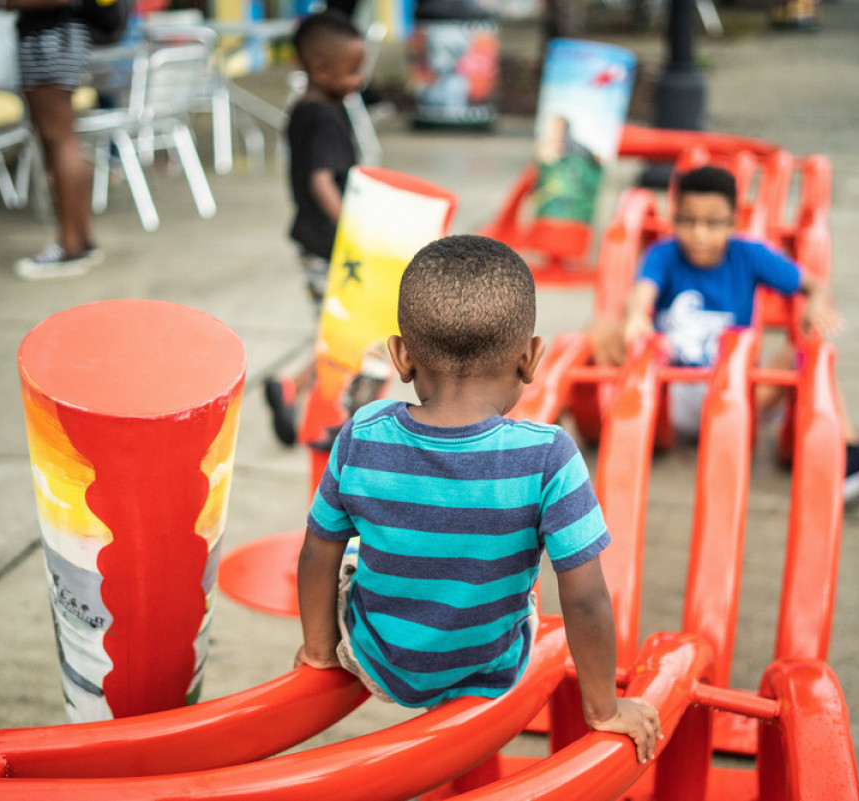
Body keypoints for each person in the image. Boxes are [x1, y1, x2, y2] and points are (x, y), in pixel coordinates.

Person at [295, 235, 663, 761]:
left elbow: (316, 550)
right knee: (527, 584)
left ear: (401, 356)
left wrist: (318, 652)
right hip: (488, 664)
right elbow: (585, 597)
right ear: (531, 357)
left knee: (352, 548)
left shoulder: (362, 433)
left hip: (379, 657)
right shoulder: (549, 456)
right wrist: (603, 708)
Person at [591, 165, 859, 508]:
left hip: (738, 395)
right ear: (675, 220)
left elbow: (814, 285)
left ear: (733, 222)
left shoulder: (747, 254)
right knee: (599, 329)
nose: (699, 234)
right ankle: (542, 435)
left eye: (713, 223)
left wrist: (815, 306)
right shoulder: (664, 254)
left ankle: (849, 460)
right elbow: (642, 292)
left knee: (810, 349)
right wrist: (636, 316)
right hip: (672, 393)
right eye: (688, 221)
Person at [264, 10, 365, 445]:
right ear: (321, 68)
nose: (361, 79)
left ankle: (293, 390)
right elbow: (321, 180)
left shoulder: (308, 109)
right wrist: (353, 233)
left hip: (316, 242)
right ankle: (329, 417)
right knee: (348, 335)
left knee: (342, 333)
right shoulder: (324, 118)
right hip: (330, 246)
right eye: (353, 70)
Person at [0, 0, 101, 279]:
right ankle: (82, 239)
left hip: (48, 41)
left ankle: (69, 246)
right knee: (65, 140)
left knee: (59, 141)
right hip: (62, 38)